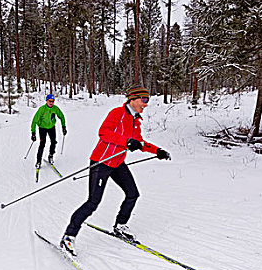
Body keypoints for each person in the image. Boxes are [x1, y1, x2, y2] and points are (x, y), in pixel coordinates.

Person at [60, 85, 171, 256]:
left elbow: (140, 142)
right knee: (93, 202)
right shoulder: (117, 113)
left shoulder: (136, 120)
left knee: (133, 193)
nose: (146, 104)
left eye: (147, 100)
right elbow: (104, 133)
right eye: (144, 99)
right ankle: (69, 236)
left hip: (117, 163)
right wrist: (126, 141)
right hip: (102, 162)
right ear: (132, 99)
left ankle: (120, 226)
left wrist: (157, 151)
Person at [31, 94, 67, 168]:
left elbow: (62, 116)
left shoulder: (55, 108)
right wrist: (33, 133)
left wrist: (63, 127)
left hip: (51, 127)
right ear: (46, 101)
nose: (51, 103)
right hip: (42, 128)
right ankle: (38, 161)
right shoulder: (42, 109)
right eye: (50, 101)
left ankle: (50, 156)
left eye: (53, 101)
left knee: (53, 142)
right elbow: (34, 121)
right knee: (42, 144)